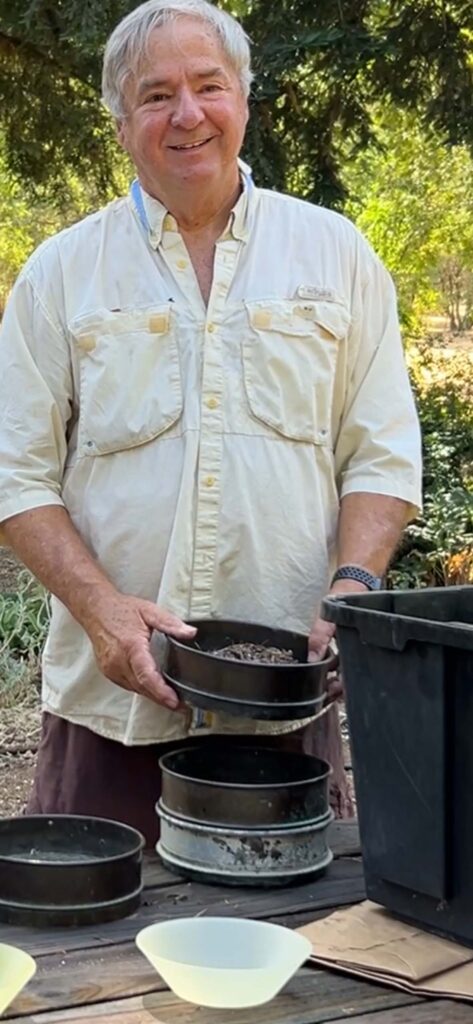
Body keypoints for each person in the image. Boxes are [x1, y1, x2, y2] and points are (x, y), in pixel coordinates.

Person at [0, 0, 421, 844]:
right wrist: (102, 610)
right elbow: (16, 475)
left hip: (285, 705)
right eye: (156, 95)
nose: (186, 114)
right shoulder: (60, 275)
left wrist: (354, 588)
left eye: (208, 86)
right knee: (91, 962)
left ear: (243, 101)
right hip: (110, 710)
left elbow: (379, 456)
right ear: (122, 124)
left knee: (298, 962)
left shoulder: (335, 254)